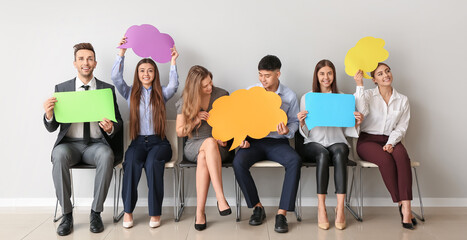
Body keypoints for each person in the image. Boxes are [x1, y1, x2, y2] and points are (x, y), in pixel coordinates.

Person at [43, 43, 123, 236]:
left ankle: (96, 213)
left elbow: (118, 121)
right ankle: (67, 215)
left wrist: (112, 127)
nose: (85, 63)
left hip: (96, 145)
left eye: (89, 59)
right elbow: (52, 127)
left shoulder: (106, 89)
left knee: (106, 155)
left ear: (95, 63)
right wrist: (48, 115)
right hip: (70, 146)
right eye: (81, 59)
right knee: (58, 154)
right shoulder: (62, 89)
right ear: (75, 63)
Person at [112, 37, 179, 228]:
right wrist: (122, 53)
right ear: (138, 74)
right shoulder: (130, 93)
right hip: (138, 143)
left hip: (160, 143)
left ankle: (155, 214)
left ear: (155, 73)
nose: (146, 74)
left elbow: (174, 85)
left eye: (150, 70)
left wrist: (173, 61)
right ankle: (128, 212)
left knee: (152, 165)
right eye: (142, 71)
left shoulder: (162, 92)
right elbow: (116, 78)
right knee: (131, 162)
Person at [232, 55, 301, 233]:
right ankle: (257, 207)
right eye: (260, 75)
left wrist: (288, 131)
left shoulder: (289, 96)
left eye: (267, 76)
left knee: (294, 161)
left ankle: (282, 213)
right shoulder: (251, 91)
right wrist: (242, 139)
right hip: (254, 142)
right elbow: (240, 119)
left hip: (277, 143)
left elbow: (294, 121)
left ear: (278, 74)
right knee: (238, 162)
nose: (263, 79)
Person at [296, 60, 363, 230]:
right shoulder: (307, 97)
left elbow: (348, 131)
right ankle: (321, 206)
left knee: (341, 151)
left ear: (334, 75)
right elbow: (305, 132)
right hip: (314, 143)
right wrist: (302, 122)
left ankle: (340, 207)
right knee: (322, 154)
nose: (326, 77)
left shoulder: (344, 98)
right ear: (316, 76)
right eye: (322, 74)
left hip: (336, 141)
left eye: (329, 73)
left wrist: (356, 123)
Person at [354, 63, 417, 230]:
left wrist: (390, 143)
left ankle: (407, 207)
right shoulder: (367, 95)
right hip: (368, 141)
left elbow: (402, 127)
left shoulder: (402, 100)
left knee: (402, 158)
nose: (385, 75)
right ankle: (401, 204)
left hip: (392, 138)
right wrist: (359, 85)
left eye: (387, 71)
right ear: (374, 79)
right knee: (386, 161)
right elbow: (360, 111)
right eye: (380, 74)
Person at [176, 65, 232, 231]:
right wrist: (194, 121)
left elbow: (231, 124)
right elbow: (180, 132)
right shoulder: (185, 100)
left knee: (205, 153)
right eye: (205, 86)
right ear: (195, 88)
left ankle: (199, 213)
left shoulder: (222, 95)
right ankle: (220, 198)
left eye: (210, 82)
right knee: (207, 144)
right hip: (194, 144)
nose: (210, 87)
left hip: (218, 147)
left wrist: (225, 139)